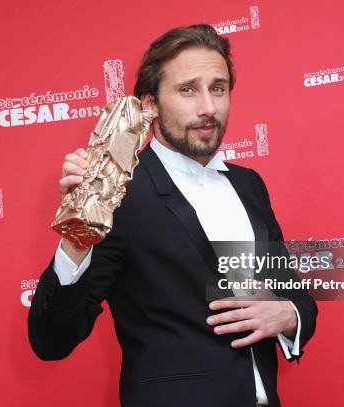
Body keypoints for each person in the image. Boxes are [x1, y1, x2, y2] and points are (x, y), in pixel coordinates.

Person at [28, 24, 317, 407]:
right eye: (187, 90)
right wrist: (78, 232)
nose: (208, 108)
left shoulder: (249, 185)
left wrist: (288, 314)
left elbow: (294, 293)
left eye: (218, 88)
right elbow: (51, 339)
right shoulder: (121, 192)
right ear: (149, 105)